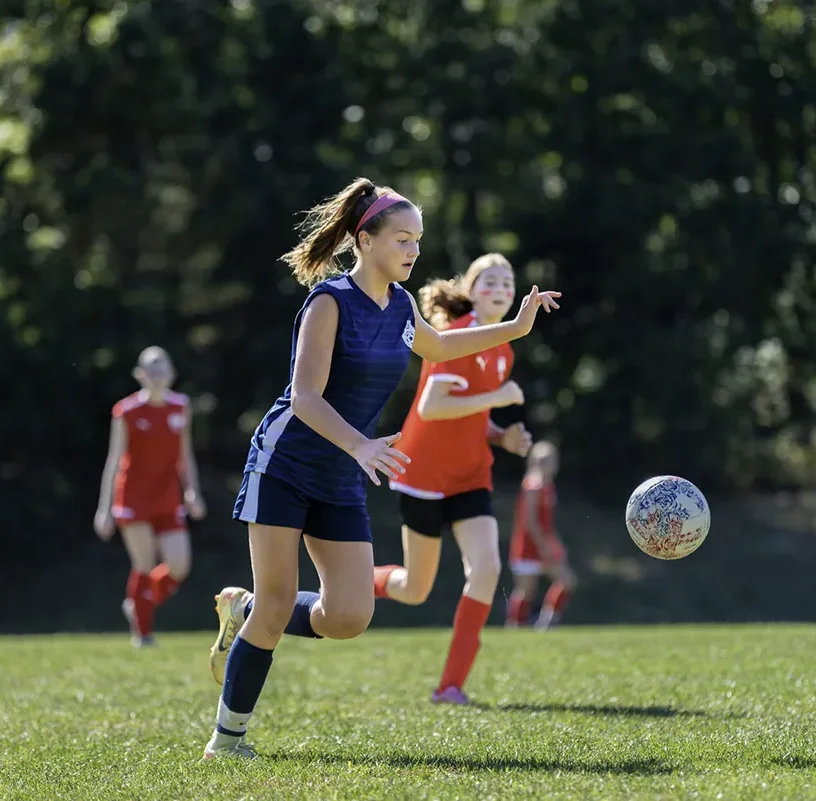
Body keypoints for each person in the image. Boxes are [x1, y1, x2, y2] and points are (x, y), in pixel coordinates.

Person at [201, 177, 561, 760]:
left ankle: (240, 609)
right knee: (277, 604)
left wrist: (516, 328)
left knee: (347, 616)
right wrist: (362, 447)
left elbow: (440, 349)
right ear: (364, 240)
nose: (414, 251)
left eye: (418, 240)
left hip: (341, 471)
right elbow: (304, 399)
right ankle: (228, 737)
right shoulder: (328, 301)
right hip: (286, 464)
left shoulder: (400, 306)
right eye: (402, 239)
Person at [369, 252, 535, 705]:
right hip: (422, 476)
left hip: (469, 476)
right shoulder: (456, 337)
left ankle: (450, 687)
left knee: (486, 569)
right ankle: (357, 581)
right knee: (414, 590)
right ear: (470, 291)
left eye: (508, 282)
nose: (501, 288)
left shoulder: (502, 348)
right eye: (490, 281)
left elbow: (474, 417)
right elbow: (431, 409)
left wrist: (502, 437)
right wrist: (500, 396)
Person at [94, 347, 206, 647]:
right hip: (133, 498)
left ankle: (138, 603)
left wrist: (192, 491)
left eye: (162, 369)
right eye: (151, 370)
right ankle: (143, 634)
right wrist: (104, 509)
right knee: (144, 564)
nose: (157, 376)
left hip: (168, 496)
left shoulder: (181, 407)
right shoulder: (126, 411)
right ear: (140, 375)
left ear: (172, 373)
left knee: (179, 566)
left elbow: (185, 455)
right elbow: (114, 460)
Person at [505, 441, 576, 630]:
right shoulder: (532, 485)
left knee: (565, 581)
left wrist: (556, 544)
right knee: (526, 590)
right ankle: (516, 625)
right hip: (529, 545)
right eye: (540, 460)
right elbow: (530, 522)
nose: (544, 465)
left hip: (543, 543)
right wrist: (545, 546)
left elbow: (547, 524)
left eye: (548, 460)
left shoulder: (547, 485)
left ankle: (546, 621)